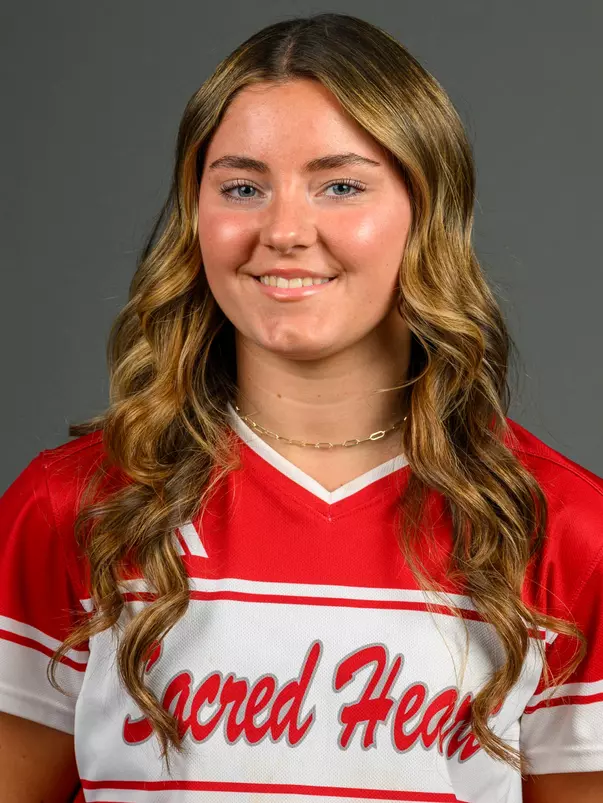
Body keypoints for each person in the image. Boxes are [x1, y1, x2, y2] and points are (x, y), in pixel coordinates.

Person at [0, 11, 601, 803]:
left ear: (427, 211)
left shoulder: (555, 528)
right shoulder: (73, 507)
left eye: (340, 185)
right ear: (196, 216)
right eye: (242, 186)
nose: (283, 230)